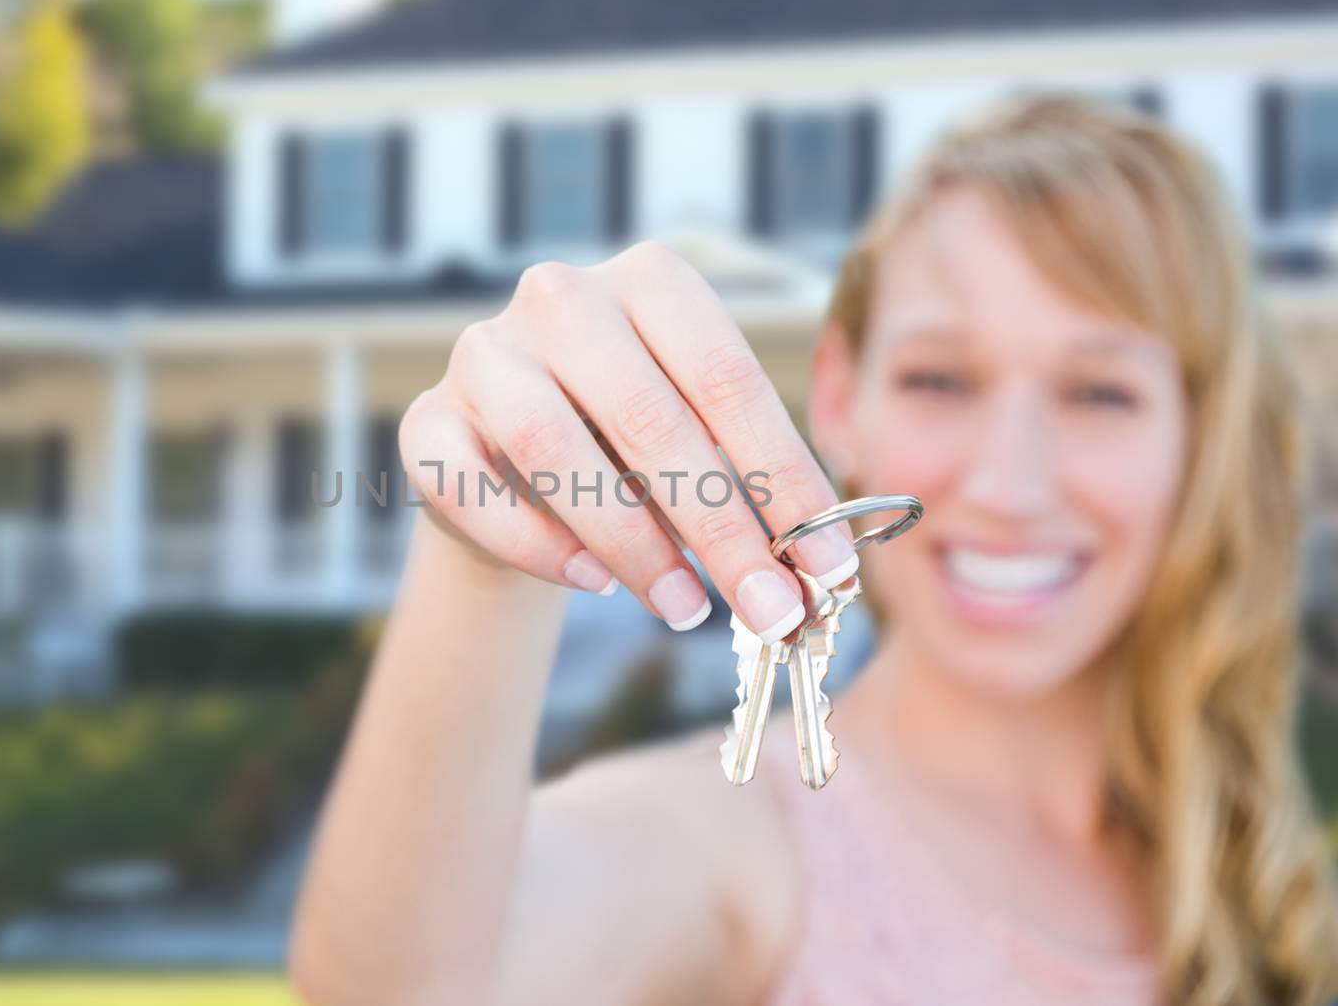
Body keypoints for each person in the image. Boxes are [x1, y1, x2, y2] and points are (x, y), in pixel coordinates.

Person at [287, 96, 1338, 1005]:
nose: (1009, 484)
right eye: (939, 378)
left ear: (1197, 438)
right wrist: (487, 554)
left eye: (1099, 392)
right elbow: (410, 985)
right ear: (837, 393)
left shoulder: (1272, 875)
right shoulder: (742, 838)